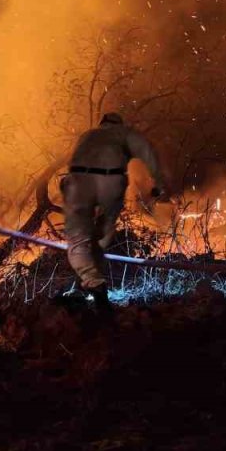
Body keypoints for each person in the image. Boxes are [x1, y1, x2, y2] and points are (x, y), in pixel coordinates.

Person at [61, 112, 167, 311]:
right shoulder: (124, 134)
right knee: (103, 233)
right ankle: (92, 280)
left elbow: (73, 160)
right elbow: (148, 152)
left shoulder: (87, 135)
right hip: (110, 182)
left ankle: (90, 280)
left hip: (78, 181)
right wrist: (158, 185)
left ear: (102, 124)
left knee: (78, 236)